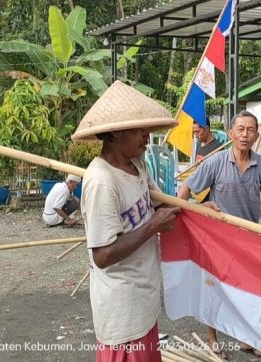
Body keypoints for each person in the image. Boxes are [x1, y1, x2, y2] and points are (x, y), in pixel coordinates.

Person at [72, 81, 180, 362]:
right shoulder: (101, 182)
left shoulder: (137, 163)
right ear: (117, 132)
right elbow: (103, 254)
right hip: (122, 310)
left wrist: (200, 210)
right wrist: (152, 226)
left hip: (143, 299)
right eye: (140, 129)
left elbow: (159, 201)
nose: (147, 136)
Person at [178, 110, 261, 358]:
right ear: (231, 133)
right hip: (217, 238)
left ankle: (246, 337)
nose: (245, 134)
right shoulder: (216, 161)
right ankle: (211, 338)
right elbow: (186, 188)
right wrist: (192, 211)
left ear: (255, 135)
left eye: (250, 129)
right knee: (215, 288)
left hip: (248, 237)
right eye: (240, 129)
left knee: (250, 287)